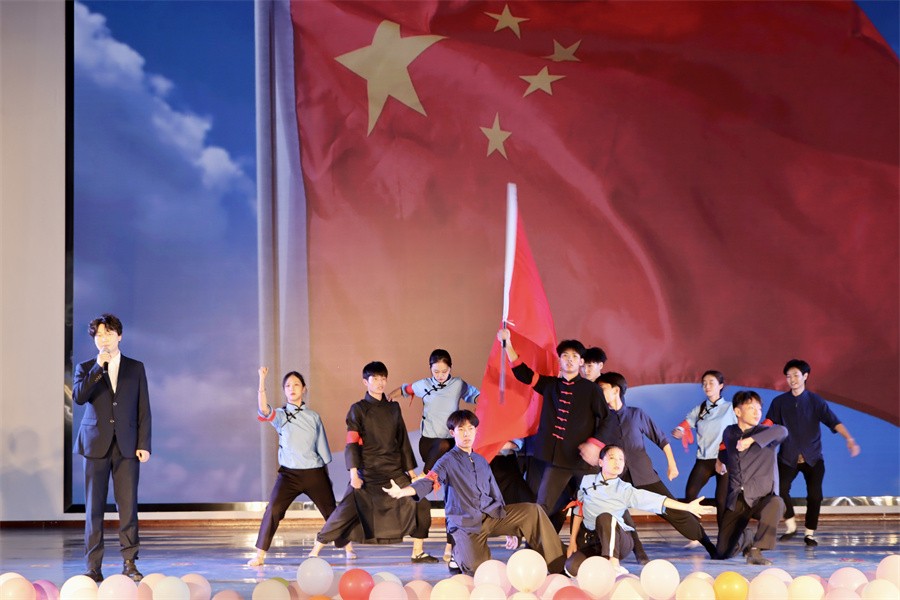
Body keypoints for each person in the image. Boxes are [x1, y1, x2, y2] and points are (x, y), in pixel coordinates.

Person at [384, 410, 566, 576]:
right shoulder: (447, 461)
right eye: (461, 429)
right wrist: (404, 492)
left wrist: (511, 527)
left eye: (470, 429)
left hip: (489, 516)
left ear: (476, 431)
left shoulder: (480, 460)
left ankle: (558, 565)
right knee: (480, 570)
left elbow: (494, 493)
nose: (467, 434)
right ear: (452, 433)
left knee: (533, 511)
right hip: (466, 524)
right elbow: (430, 480)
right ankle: (458, 554)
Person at [310, 361, 438, 563]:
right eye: (375, 378)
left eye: (383, 378)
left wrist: (412, 473)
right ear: (365, 382)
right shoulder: (358, 409)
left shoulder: (393, 408)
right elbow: (352, 443)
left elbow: (402, 440)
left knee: (420, 502)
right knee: (344, 512)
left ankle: (417, 551)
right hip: (367, 473)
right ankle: (315, 550)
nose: (380, 383)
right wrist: (354, 474)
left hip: (394, 472)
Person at [595, 372, 718, 558]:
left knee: (673, 510)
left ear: (616, 390)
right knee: (618, 515)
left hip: (644, 474)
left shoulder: (636, 414)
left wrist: (672, 464)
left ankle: (708, 544)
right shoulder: (601, 420)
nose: (598, 393)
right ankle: (638, 553)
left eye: (602, 389)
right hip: (616, 478)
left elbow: (660, 439)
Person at [498, 328, 608, 529]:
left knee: (598, 505)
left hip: (584, 462)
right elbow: (523, 373)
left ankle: (611, 544)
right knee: (543, 506)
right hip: (558, 462)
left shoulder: (592, 389)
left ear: (581, 362)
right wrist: (508, 344)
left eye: (575, 356)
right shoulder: (550, 385)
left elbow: (608, 420)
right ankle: (535, 545)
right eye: (565, 356)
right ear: (559, 360)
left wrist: (594, 445)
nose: (569, 360)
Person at [247, 368, 354, 566]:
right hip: (289, 475)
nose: (292, 388)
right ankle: (260, 554)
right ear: (284, 390)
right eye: (288, 385)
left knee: (330, 510)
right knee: (273, 509)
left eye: (296, 384)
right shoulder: (280, 415)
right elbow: (264, 409)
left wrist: (324, 473)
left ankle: (348, 547)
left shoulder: (313, 416)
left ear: (304, 389)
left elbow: (321, 447)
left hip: (314, 473)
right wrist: (262, 380)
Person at [72, 314, 151, 583]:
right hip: (95, 444)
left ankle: (129, 562)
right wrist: (98, 367)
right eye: (99, 335)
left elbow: (143, 408)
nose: (103, 339)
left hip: (127, 445)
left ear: (120, 336)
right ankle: (93, 566)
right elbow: (79, 397)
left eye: (108, 333)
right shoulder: (86, 367)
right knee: (94, 509)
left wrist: (144, 444)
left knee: (127, 507)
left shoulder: (135, 367)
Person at [565, 445, 714, 576]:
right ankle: (601, 564)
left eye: (621, 459)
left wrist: (687, 507)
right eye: (612, 458)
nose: (617, 462)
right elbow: (579, 510)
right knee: (572, 568)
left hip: (620, 542)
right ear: (600, 462)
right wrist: (572, 542)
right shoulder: (586, 481)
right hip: (594, 540)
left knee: (605, 517)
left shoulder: (625, 489)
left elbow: (657, 500)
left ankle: (614, 564)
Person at [389, 348, 480, 561]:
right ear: (430, 369)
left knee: (454, 496)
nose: (440, 375)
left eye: (444, 371)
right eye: (436, 371)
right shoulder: (424, 385)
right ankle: (426, 474)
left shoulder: (458, 384)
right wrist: (389, 398)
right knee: (442, 445)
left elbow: (477, 396)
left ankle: (450, 546)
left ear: (450, 369)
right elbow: (404, 389)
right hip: (430, 445)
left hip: (451, 446)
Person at [766, 359, 861, 546]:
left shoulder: (815, 401)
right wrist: (754, 436)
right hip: (788, 457)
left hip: (813, 457)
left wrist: (849, 439)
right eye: (788, 376)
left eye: (796, 375)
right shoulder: (780, 402)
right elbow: (768, 423)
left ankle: (809, 534)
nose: (792, 379)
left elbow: (834, 421)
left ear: (805, 376)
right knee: (779, 490)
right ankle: (791, 526)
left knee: (815, 496)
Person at [715, 391, 788, 566]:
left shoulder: (766, 433)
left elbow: (783, 431)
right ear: (738, 412)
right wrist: (719, 460)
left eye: (759, 408)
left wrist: (751, 440)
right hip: (738, 499)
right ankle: (746, 538)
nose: (757, 412)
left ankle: (757, 549)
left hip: (762, 498)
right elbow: (729, 452)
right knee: (722, 553)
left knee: (777, 503)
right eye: (751, 408)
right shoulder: (729, 432)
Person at [671, 370, 736, 527]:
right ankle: (696, 533)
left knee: (722, 500)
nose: (707, 386)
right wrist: (679, 430)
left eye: (711, 383)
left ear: (721, 386)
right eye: (704, 383)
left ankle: (724, 536)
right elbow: (686, 423)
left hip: (724, 458)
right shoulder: (700, 408)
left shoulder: (730, 408)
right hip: (704, 459)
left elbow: (741, 428)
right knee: (690, 494)